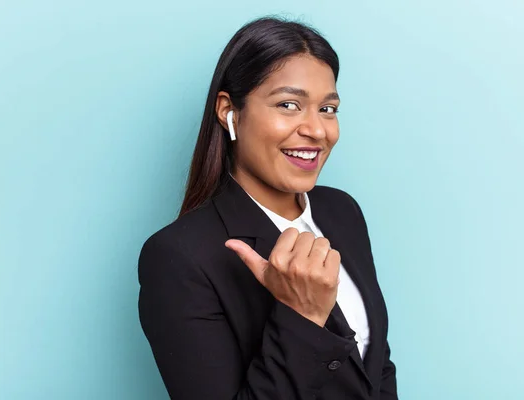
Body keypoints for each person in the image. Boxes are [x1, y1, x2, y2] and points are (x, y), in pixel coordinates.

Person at [138, 16, 398, 399]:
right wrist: (303, 317)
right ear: (229, 112)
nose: (317, 130)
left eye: (328, 109)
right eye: (289, 105)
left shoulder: (342, 211)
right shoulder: (178, 258)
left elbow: (376, 367)